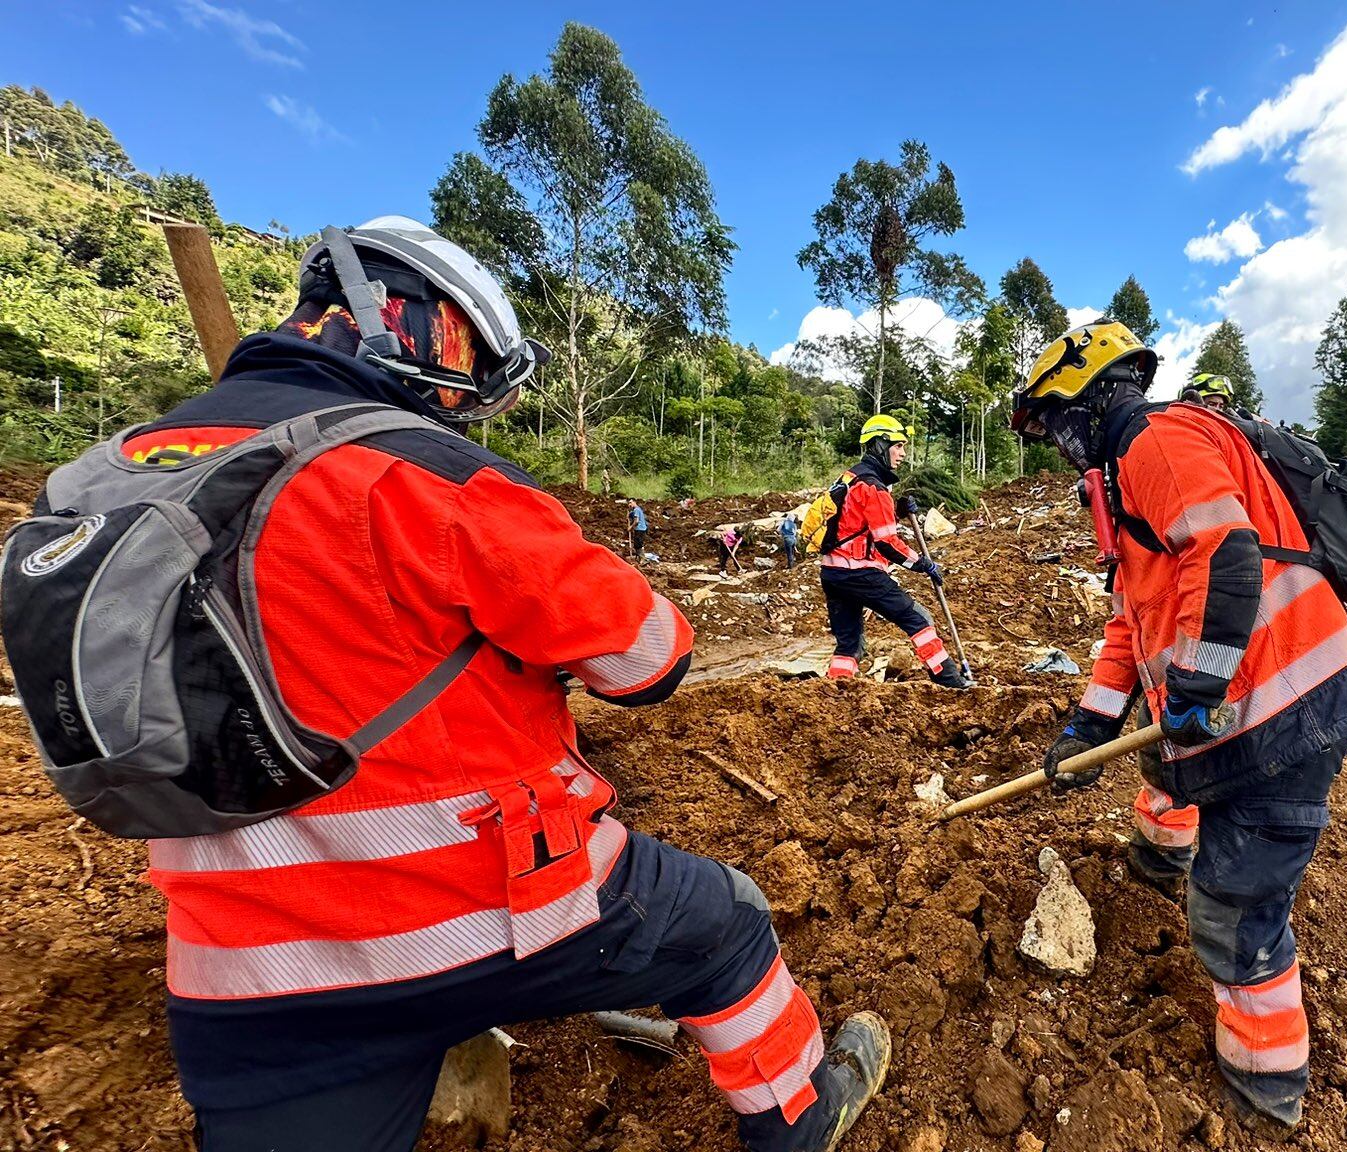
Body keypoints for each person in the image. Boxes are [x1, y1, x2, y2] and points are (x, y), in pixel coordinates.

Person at [104, 219, 887, 1151]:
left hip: (238, 964)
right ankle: (801, 1116)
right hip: (477, 900)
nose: (462, 404)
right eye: (467, 366)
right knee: (729, 923)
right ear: (412, 325)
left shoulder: (107, 481)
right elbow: (650, 661)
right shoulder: (423, 475)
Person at [1010, 320, 1347, 1129]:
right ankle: (1160, 856)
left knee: (1234, 908)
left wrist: (1197, 680)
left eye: (1055, 424)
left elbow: (1227, 553)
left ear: (1088, 400)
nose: (1058, 447)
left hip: (1288, 704)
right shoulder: (1128, 478)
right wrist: (1088, 730)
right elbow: (1129, 626)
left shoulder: (1156, 442)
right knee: (1169, 762)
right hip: (1253, 700)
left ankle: (1265, 1083)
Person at [819, 415, 970, 688]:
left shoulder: (849, 478)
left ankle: (836, 692)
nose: (902, 453)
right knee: (918, 619)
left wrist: (897, 511)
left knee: (849, 643)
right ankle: (950, 681)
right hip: (861, 573)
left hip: (832, 573)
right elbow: (886, 543)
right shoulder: (874, 488)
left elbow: (854, 525)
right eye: (898, 446)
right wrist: (923, 564)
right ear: (880, 445)